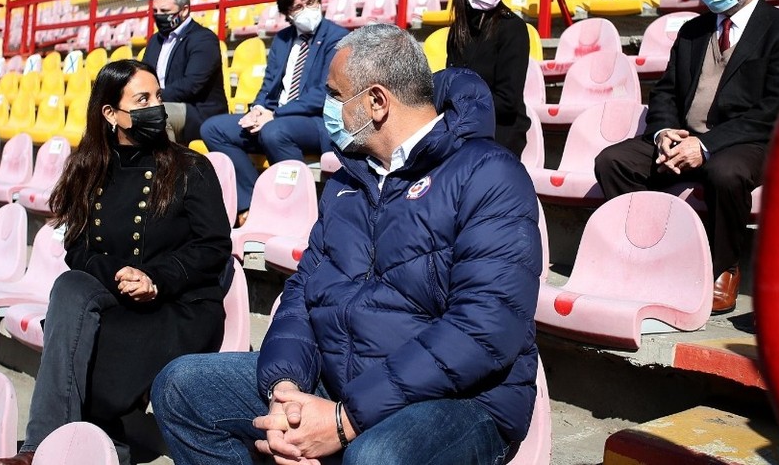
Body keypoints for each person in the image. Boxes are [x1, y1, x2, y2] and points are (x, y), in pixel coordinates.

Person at [152, 24, 542, 465]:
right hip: (337, 382)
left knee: (375, 456)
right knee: (182, 387)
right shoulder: (347, 181)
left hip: (461, 399)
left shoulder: (489, 174)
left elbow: (484, 328)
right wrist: (286, 389)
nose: (327, 108)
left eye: (336, 95)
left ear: (376, 102)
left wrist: (344, 421)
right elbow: (303, 292)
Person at [0, 60, 232, 465]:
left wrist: (156, 277)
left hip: (176, 305)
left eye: (158, 96)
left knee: (86, 342)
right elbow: (77, 247)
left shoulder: (191, 166)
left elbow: (213, 246)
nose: (157, 106)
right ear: (111, 113)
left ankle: (86, 449)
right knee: (69, 288)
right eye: (143, 99)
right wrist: (119, 275)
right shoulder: (90, 168)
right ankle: (43, 447)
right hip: (117, 292)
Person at [595, 0, 779, 314]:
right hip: (684, 134)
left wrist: (706, 146)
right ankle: (647, 256)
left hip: (748, 139)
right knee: (613, 161)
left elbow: (774, 109)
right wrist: (663, 133)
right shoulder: (693, 29)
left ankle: (723, 266)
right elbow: (665, 92)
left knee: (725, 172)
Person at [200, 0, 348, 224]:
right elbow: (269, 84)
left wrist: (275, 115)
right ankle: (250, 202)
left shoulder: (336, 37)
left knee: (273, 132)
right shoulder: (282, 39)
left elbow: (324, 93)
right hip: (275, 118)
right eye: (298, 7)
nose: (306, 10)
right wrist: (257, 109)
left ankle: (296, 210)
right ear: (287, 14)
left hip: (315, 120)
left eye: (310, 2)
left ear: (319, 1)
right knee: (213, 128)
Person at [446, 0, 530, 157]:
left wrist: (460, 103)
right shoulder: (458, 30)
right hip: (462, 126)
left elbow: (507, 102)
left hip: (499, 131)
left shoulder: (513, 28)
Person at [142, 0, 226, 144]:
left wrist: (153, 99)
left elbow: (191, 85)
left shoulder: (203, 39)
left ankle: (170, 168)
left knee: (155, 116)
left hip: (197, 111)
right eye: (155, 11)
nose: (159, 16)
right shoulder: (155, 40)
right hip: (160, 103)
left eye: (165, 11)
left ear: (185, 10)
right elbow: (143, 75)